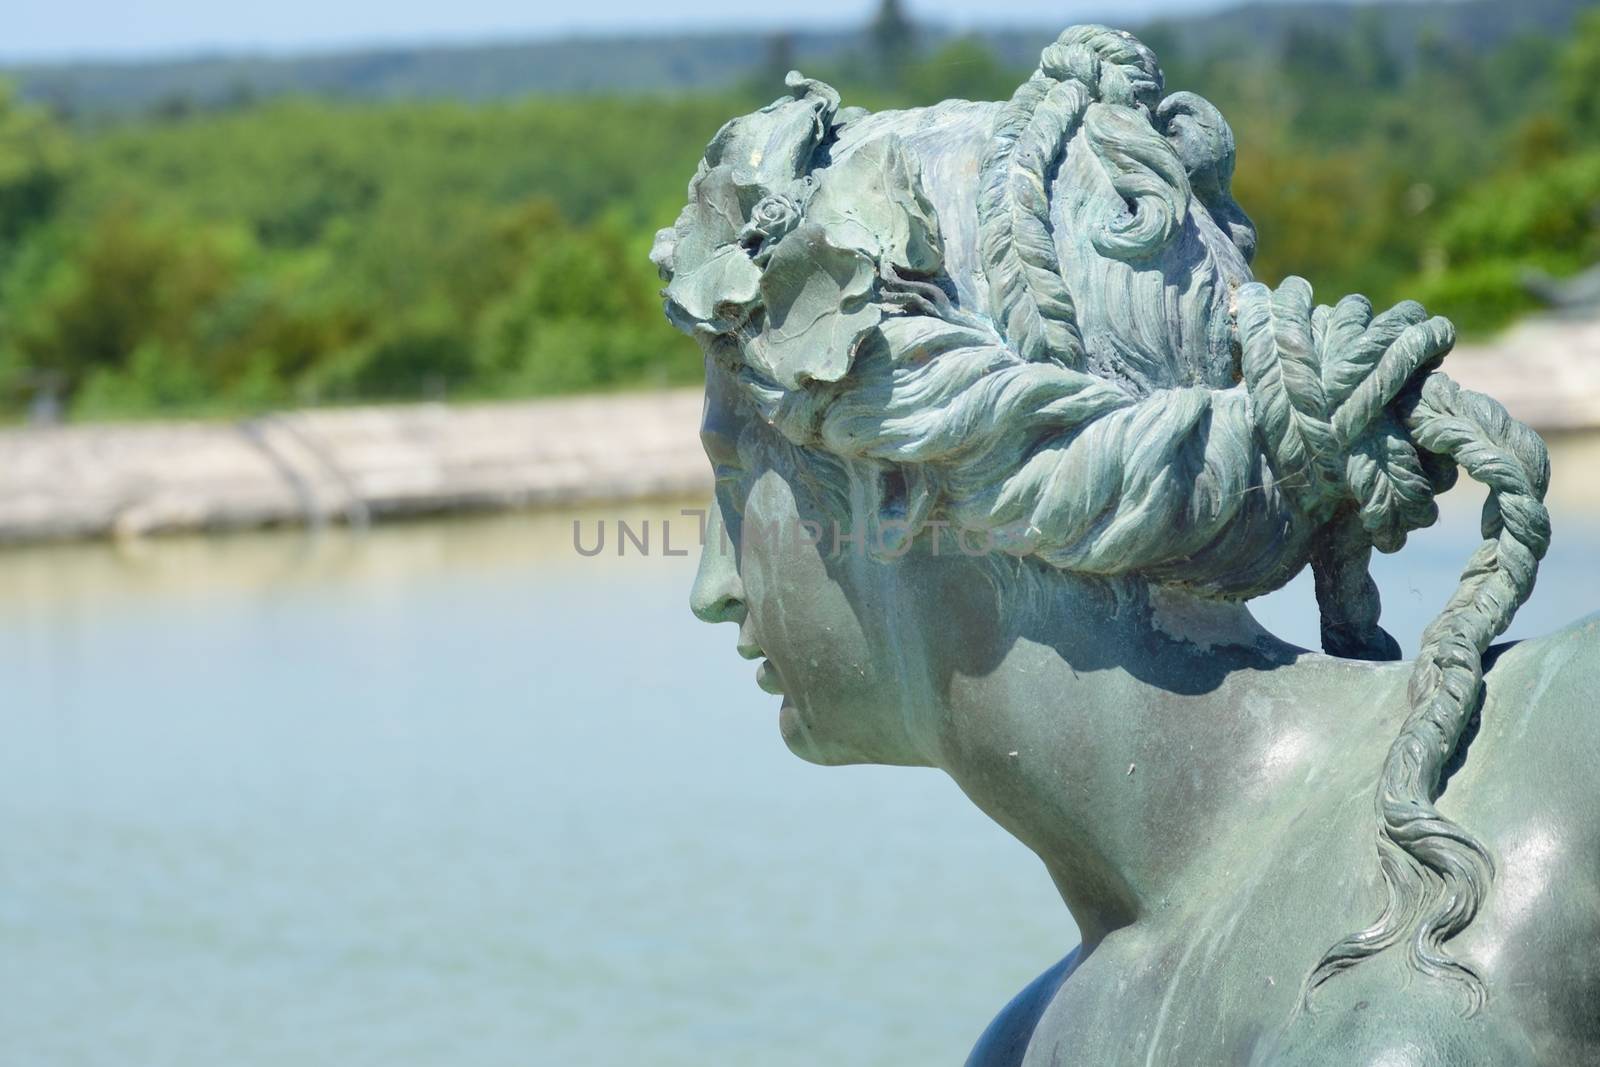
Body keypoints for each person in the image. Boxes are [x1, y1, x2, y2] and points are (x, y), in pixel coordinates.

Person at [655, 25, 1600, 1065]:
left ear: (891, 478)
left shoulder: (1569, 738)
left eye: (739, 480)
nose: (711, 587)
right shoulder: (1031, 1044)